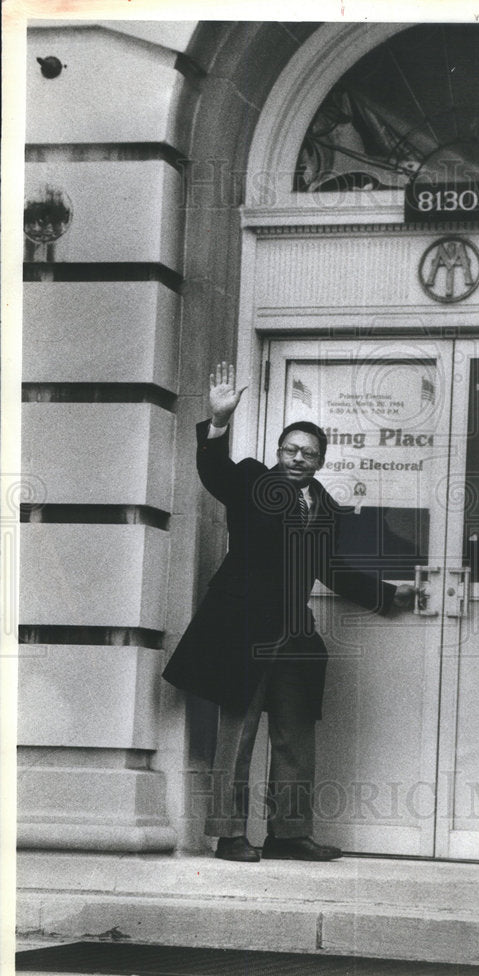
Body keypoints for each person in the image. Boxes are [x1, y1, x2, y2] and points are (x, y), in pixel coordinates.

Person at [163, 362, 415, 862]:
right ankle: (230, 835)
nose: (298, 459)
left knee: (296, 735)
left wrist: (389, 595)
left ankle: (289, 833)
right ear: (279, 453)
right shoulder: (253, 480)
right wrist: (217, 423)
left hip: (295, 635)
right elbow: (213, 471)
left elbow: (331, 568)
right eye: (291, 450)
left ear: (321, 461)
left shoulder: (322, 504)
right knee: (238, 734)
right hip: (243, 630)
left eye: (309, 454)